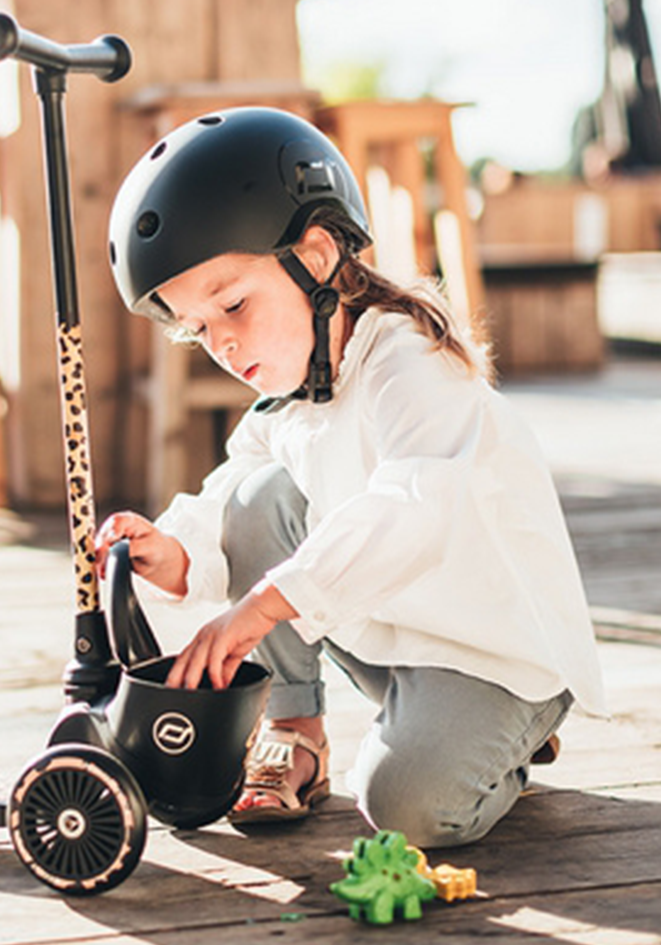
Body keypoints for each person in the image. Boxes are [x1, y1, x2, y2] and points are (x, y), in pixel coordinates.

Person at [95, 107, 607, 848]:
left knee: (407, 807)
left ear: (318, 253)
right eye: (200, 328)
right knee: (256, 496)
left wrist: (265, 605)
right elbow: (231, 497)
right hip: (392, 642)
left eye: (234, 303)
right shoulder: (293, 393)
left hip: (490, 653)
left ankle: (514, 739)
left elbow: (413, 510)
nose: (224, 341)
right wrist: (173, 551)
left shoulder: (412, 358)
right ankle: (296, 731)